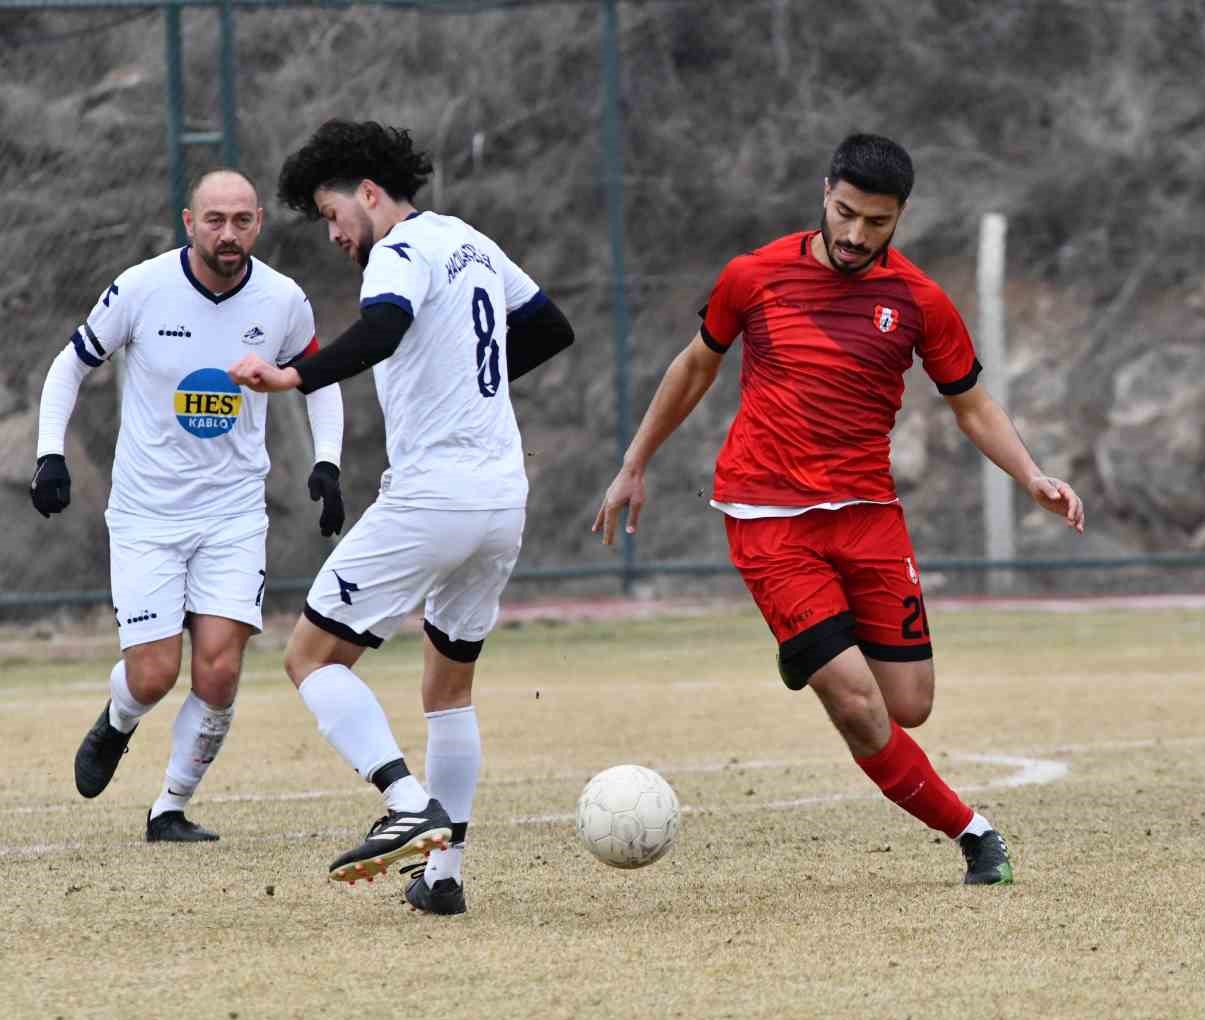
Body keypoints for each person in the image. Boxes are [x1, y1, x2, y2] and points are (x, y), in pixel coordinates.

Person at [594, 133, 1084, 886]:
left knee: (908, 705)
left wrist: (1031, 475)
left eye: (877, 223)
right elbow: (697, 365)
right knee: (858, 705)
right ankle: (974, 834)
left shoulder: (920, 302)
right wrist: (635, 463)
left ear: (901, 218)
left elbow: (973, 404)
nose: (856, 235)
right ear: (825, 192)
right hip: (767, 518)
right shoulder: (752, 277)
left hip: (867, 514)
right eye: (846, 213)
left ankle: (816, 648)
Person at [228, 120, 575, 916]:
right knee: (448, 690)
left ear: (371, 195)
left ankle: (404, 800)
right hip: (500, 498)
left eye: (331, 212)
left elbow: (381, 329)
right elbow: (552, 327)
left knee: (310, 658)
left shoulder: (400, 250)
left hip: (435, 496)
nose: (334, 232)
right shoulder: (473, 243)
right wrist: (469, 381)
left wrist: (293, 374)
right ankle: (445, 879)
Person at [33, 169, 346, 843]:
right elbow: (71, 364)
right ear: (188, 221)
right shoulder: (142, 288)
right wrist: (49, 453)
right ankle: (118, 721)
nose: (228, 234)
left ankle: (169, 807)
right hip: (147, 514)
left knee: (220, 668)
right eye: (214, 220)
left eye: (241, 220)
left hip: (233, 515)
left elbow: (319, 379)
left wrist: (328, 463)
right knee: (153, 674)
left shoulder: (283, 299)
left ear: (259, 222)